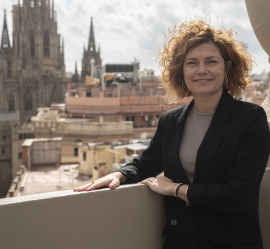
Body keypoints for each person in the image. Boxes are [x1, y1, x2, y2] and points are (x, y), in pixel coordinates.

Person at [74, 19, 270, 249]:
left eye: (211, 61)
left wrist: (176, 190)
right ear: (182, 71)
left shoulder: (250, 118)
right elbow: (146, 163)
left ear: (227, 68)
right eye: (192, 63)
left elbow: (239, 197)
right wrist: (119, 175)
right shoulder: (171, 121)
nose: (201, 70)